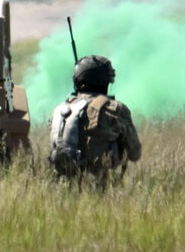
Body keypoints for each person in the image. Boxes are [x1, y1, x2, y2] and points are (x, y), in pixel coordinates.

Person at [48, 55, 141, 184]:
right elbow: (135, 153)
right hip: (99, 185)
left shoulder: (59, 111)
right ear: (105, 81)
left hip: (62, 184)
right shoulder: (114, 108)